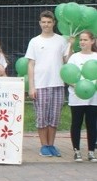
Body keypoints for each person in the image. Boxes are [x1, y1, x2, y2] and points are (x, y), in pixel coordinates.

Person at [25, 11, 68, 157]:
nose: (46, 25)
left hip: (57, 84)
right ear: (40, 23)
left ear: (53, 23)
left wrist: (72, 46)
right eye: (43, 22)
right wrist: (32, 86)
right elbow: (31, 64)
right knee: (42, 117)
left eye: (49, 22)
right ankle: (44, 145)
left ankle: (51, 145)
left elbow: (67, 61)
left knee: (54, 117)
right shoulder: (34, 41)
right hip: (40, 84)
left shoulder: (61, 40)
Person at [64, 31, 96, 162]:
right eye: (81, 40)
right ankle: (76, 150)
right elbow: (67, 74)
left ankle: (91, 151)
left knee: (92, 124)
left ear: (92, 41)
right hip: (76, 96)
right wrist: (75, 85)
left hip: (93, 96)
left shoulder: (96, 57)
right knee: (76, 123)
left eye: (85, 40)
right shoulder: (74, 57)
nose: (82, 42)